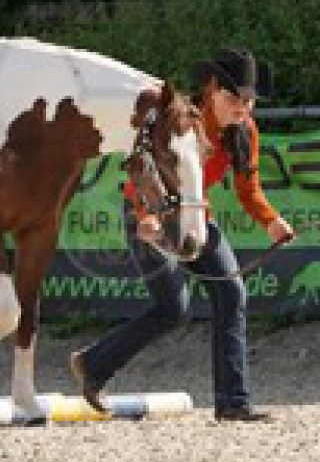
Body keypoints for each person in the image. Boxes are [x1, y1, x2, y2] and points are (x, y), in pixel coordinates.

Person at [69, 47, 295, 422]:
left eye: (250, 101)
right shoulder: (179, 122)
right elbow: (141, 174)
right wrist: (146, 217)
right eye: (235, 98)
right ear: (211, 89)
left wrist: (271, 222)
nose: (243, 108)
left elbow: (249, 189)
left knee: (232, 293)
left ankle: (233, 402)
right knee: (173, 308)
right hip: (149, 213)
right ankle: (94, 366)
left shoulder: (245, 131)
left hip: (193, 218)